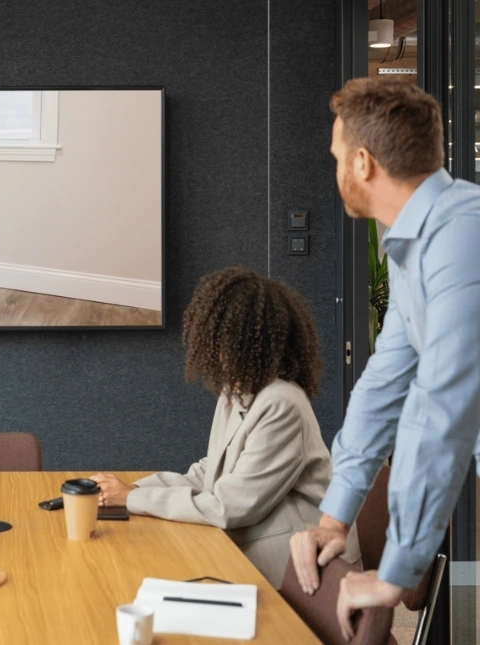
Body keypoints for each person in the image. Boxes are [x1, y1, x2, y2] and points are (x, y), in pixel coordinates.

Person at [289, 77, 480, 639]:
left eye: (336, 156)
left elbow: (441, 406)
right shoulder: (414, 245)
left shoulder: (462, 237)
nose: (336, 169)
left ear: (364, 163)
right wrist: (333, 521)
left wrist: (393, 576)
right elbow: (384, 385)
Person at [91, 267, 360, 589]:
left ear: (247, 343)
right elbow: (209, 473)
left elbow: (230, 506)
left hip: (302, 570)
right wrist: (130, 489)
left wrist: (133, 499)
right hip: (255, 546)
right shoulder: (237, 393)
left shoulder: (282, 403)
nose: (212, 350)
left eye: (219, 339)